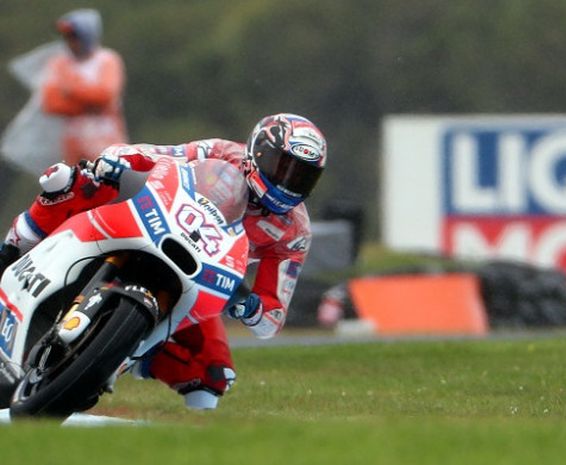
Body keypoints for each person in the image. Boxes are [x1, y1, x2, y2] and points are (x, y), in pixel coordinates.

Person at [0, 113, 327, 409]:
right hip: (153, 222)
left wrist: (252, 308)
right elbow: (160, 156)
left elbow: (273, 316)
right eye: (282, 166)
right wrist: (119, 162)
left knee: (215, 372)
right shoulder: (223, 152)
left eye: (302, 177)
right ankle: (14, 249)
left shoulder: (293, 232)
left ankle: (194, 440)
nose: (288, 182)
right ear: (257, 152)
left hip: (199, 277)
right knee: (72, 181)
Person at [41, 8, 127, 165]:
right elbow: (51, 103)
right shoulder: (59, 64)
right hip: (74, 139)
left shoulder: (107, 60)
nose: (70, 42)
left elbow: (105, 96)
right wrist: (88, 103)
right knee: (74, 183)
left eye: (74, 37)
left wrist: (70, 90)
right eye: (67, 37)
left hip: (106, 135)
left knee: (111, 177)